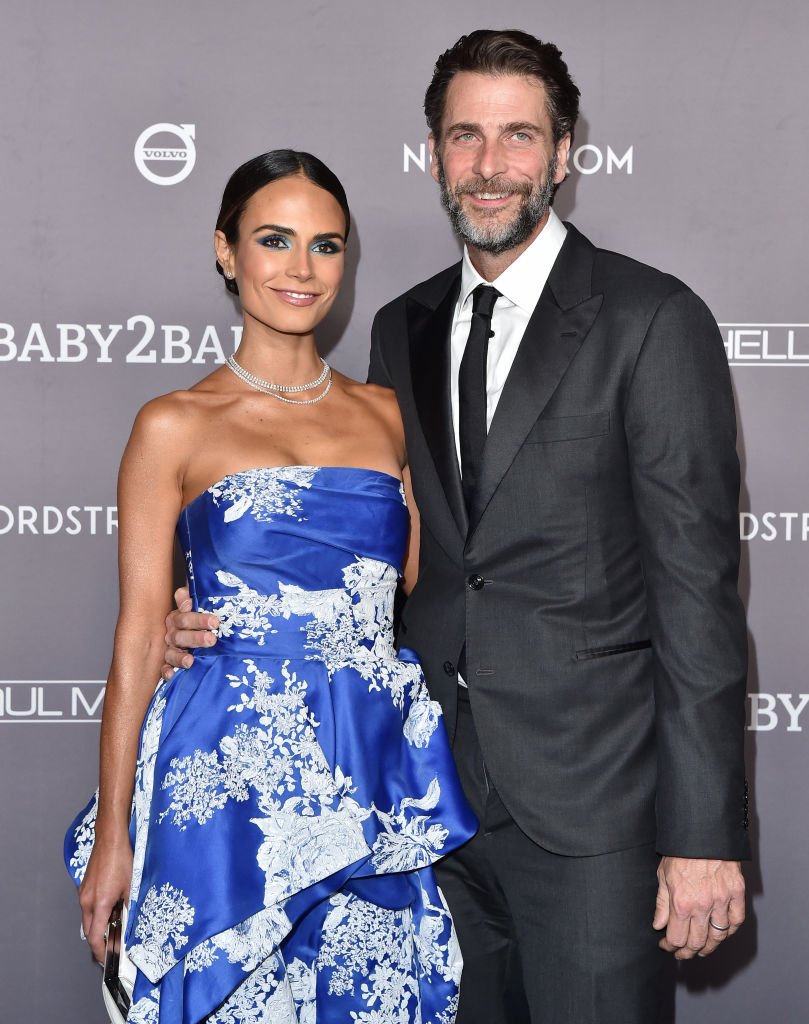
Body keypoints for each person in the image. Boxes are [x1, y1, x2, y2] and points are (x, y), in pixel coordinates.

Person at [163, 30, 750, 1024]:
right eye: (464, 136)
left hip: (591, 819)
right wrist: (219, 617)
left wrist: (702, 837)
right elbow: (371, 558)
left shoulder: (648, 321)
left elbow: (696, 597)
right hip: (422, 815)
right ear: (432, 152)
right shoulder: (402, 325)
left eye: (517, 136)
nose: (488, 167)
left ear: (564, 154)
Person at [64, 149, 477, 1024]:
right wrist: (113, 836)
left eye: (325, 246)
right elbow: (140, 635)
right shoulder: (174, 424)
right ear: (226, 252)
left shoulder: (392, 416)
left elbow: (426, 587)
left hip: (367, 766)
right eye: (274, 240)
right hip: (223, 772)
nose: (300, 269)